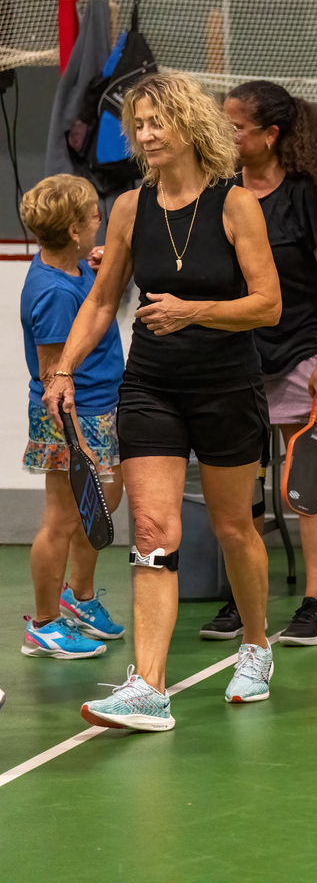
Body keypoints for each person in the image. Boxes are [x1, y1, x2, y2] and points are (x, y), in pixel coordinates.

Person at [44, 71, 281, 731]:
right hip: (150, 386)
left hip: (226, 386)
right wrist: (63, 370)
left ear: (186, 126)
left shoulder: (235, 206)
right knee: (151, 532)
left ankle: (256, 645)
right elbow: (100, 301)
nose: (144, 135)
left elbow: (268, 303)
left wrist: (193, 311)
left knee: (235, 528)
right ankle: (148, 686)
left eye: (155, 122)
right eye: (137, 125)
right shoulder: (128, 209)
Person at [196, 80, 317, 647]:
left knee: (307, 477)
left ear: (271, 135)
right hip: (239, 353)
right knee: (242, 479)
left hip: (303, 351)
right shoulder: (219, 191)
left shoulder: (305, 195)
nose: (226, 133)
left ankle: (316, 603)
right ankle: (246, 597)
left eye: (236, 126)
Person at [19, 174, 126, 659]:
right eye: (92, 216)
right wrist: (75, 437)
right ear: (74, 230)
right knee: (61, 521)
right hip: (71, 416)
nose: (99, 218)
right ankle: (44, 623)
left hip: (103, 406)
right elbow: (52, 376)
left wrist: (99, 268)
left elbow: (98, 309)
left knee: (100, 507)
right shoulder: (54, 293)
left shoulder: (75, 268)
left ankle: (79, 597)